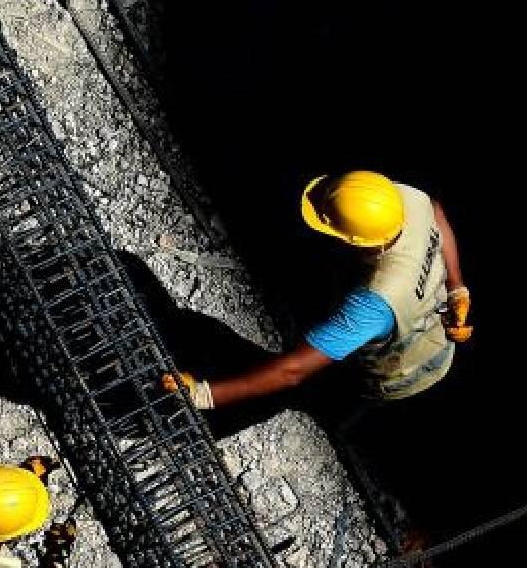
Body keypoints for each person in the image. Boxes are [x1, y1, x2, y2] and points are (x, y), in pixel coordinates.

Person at [167, 170, 472, 410]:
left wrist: (205, 394)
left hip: (405, 375)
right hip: (432, 329)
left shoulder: (374, 301)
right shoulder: (394, 201)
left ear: (356, 241)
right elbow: (435, 210)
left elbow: (293, 371)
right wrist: (457, 287)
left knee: (329, 391)